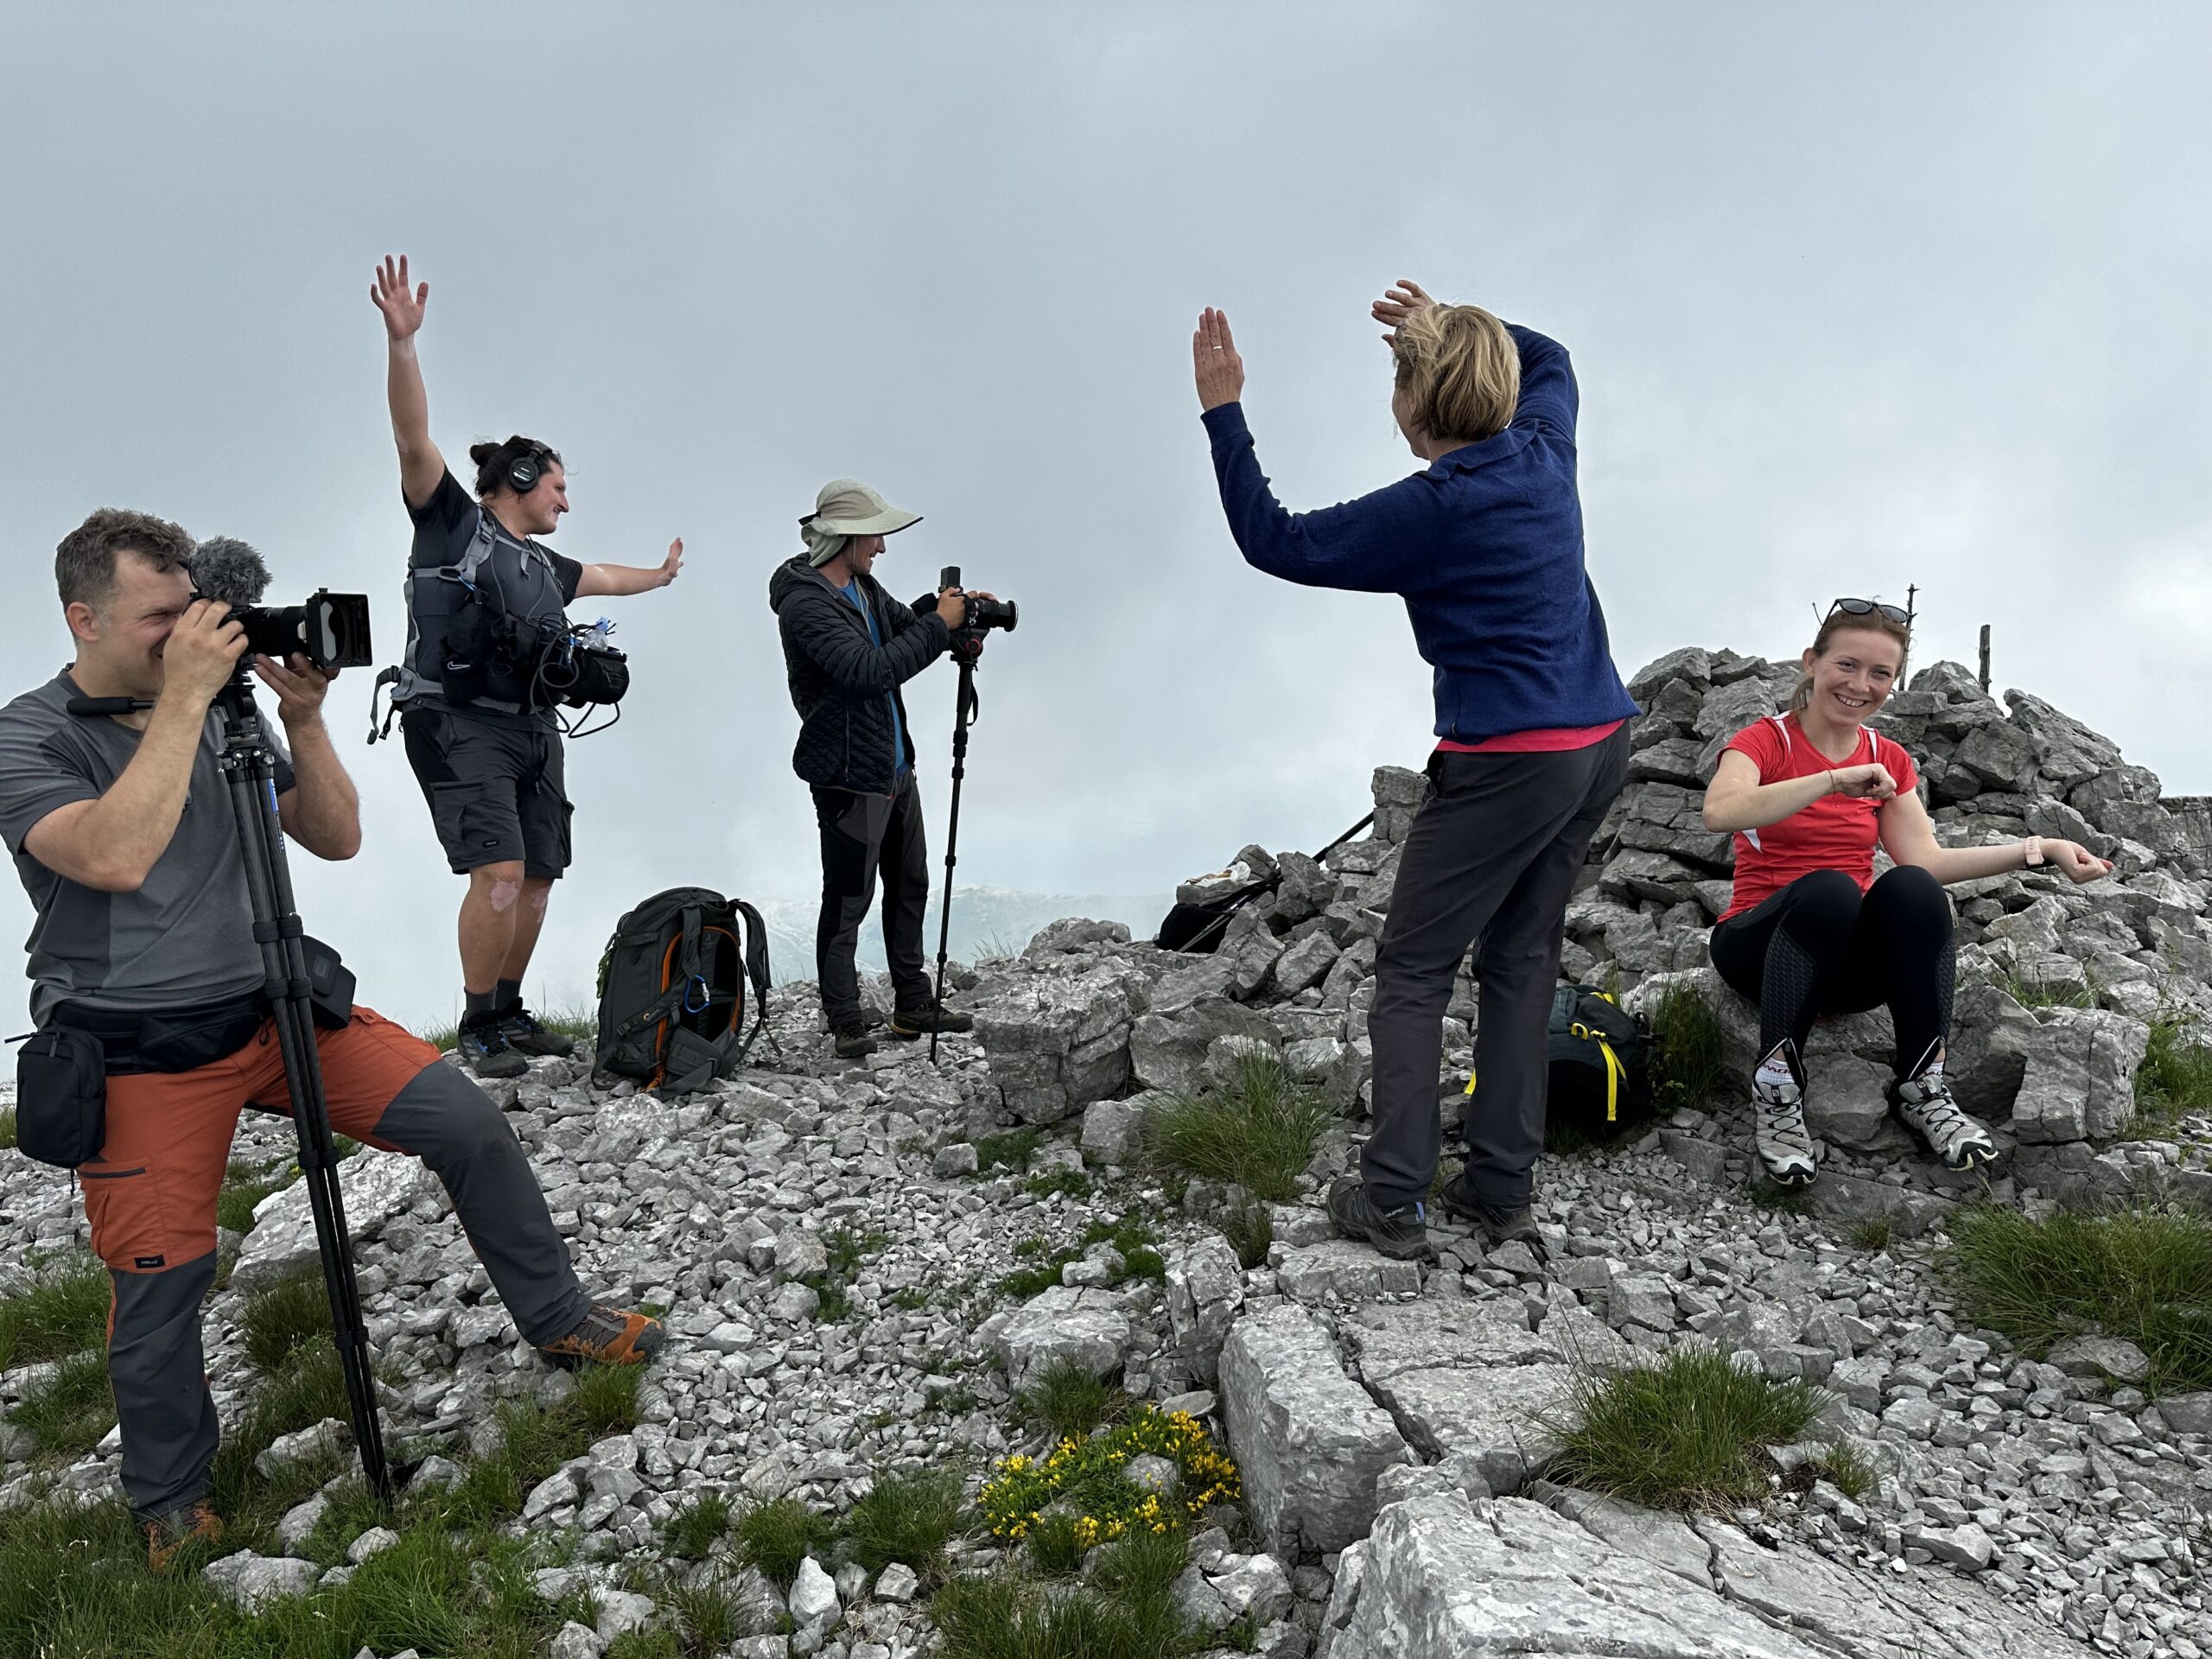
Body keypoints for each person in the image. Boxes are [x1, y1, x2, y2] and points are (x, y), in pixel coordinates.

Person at [0, 510, 666, 1571]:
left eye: (194, 611)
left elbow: (335, 835)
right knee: (162, 1276)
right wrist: (184, 702)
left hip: (277, 1010)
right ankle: (169, 1502)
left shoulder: (221, 711)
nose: (189, 635)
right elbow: (115, 855)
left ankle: (562, 1318)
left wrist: (300, 718)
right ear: (83, 619)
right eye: (159, 617)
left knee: (466, 1122)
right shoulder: (32, 735)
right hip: (138, 1050)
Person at [1192, 281, 1639, 1261]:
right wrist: (1453, 323)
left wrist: (1222, 408)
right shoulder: (1543, 448)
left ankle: (1391, 1198)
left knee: (1412, 970)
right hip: (1600, 741)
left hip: (1508, 763)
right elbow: (1552, 354)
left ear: (1410, 401)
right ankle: (1500, 1188)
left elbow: (1275, 539)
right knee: (1520, 961)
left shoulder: (1431, 508)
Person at [369, 254, 686, 1079]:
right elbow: (412, 438)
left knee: (539, 879)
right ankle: (475, 1028)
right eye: (557, 487)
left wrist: (657, 576)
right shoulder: (452, 525)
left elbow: (605, 577)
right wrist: (404, 345)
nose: (566, 501)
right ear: (518, 480)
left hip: (532, 729)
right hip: (455, 721)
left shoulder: (545, 567)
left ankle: (509, 1013)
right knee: (500, 874)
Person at [1701, 601, 2112, 1186]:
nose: (1860, 685)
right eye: (1847, 665)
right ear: (1812, 663)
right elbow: (1720, 810)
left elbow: (1927, 859)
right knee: (1831, 892)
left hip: (1843, 970)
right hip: (1759, 952)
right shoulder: (1765, 743)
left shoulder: (1887, 758)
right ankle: (1778, 1094)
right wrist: (1832, 780)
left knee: (1913, 888)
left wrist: (2040, 848)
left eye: (1880, 674)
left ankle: (1924, 1089)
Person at [768, 480, 989, 1059]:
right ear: (845, 538)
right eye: (876, 536)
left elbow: (898, 628)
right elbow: (869, 670)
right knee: (848, 899)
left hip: (891, 765)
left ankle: (913, 1002)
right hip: (847, 774)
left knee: (909, 882)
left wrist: (951, 616)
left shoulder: (860, 585)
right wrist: (938, 626)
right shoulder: (806, 604)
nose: (883, 548)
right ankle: (845, 1022)